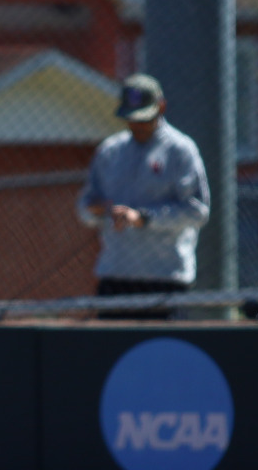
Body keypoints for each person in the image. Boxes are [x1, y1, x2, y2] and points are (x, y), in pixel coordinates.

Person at [76, 74, 211, 318]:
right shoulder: (110, 151)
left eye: (144, 118)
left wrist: (143, 218)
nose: (136, 125)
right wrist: (99, 210)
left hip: (165, 278)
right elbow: (85, 208)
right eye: (130, 119)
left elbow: (197, 211)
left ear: (161, 107)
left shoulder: (180, 150)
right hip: (115, 275)